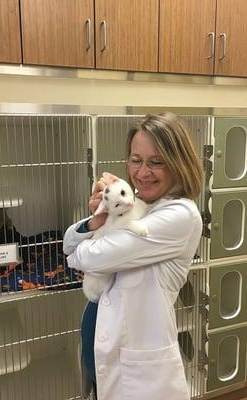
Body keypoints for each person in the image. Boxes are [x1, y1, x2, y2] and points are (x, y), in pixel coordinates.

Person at [63, 113, 203, 400]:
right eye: (136, 160)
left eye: (156, 161)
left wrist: (79, 252)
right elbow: (70, 242)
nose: (142, 172)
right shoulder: (135, 204)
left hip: (140, 381)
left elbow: (89, 257)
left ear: (179, 163)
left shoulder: (180, 215)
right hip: (104, 363)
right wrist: (95, 221)